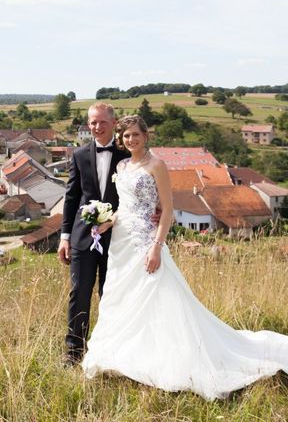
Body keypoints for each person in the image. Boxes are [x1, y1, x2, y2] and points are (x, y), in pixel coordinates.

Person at [81, 115, 288, 400]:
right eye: (126, 136)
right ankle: (130, 357)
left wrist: (156, 246)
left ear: (146, 135)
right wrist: (106, 222)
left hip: (145, 242)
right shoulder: (122, 165)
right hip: (121, 244)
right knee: (121, 298)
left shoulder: (157, 166)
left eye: (135, 135)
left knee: (158, 297)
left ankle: (175, 360)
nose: (131, 140)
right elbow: (124, 208)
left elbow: (167, 210)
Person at [57, 102, 130, 364]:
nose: (96, 127)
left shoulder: (127, 156)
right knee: (79, 293)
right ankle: (74, 352)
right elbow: (71, 197)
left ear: (113, 122)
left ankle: (112, 351)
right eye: (92, 122)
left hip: (119, 238)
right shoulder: (78, 155)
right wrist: (65, 238)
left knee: (112, 295)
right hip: (82, 237)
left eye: (101, 122)